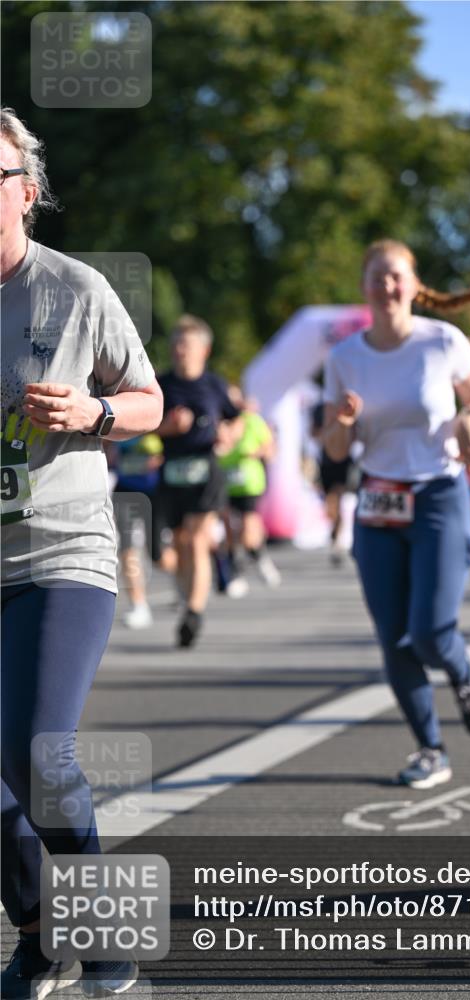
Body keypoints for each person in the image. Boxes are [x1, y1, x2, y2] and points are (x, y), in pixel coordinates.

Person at [1, 108, 163, 998]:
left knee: (39, 753)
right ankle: (37, 935)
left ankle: (105, 944)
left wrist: (93, 415)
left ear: (26, 192)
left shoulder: (74, 289)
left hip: (61, 553)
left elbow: (148, 401)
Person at [322, 238, 470, 789]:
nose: (387, 286)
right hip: (377, 502)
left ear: (414, 286)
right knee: (393, 638)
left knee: (428, 632)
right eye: (377, 276)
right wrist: (345, 422)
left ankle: (463, 668)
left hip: (439, 496)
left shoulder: (443, 340)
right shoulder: (344, 358)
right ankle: (430, 749)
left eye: (396, 276)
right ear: (364, 287)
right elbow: (331, 450)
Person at [154, 314, 240, 646]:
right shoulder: (160, 385)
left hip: (206, 469)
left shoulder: (215, 385)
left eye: (186, 345)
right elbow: (143, 426)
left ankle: (194, 610)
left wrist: (228, 435)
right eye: (175, 344)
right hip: (172, 468)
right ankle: (188, 598)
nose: (179, 350)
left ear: (204, 350)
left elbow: (238, 419)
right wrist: (168, 428)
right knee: (179, 544)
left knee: (198, 539)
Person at [216, 386, 281, 591]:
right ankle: (235, 572)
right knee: (228, 531)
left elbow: (270, 447)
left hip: (249, 483)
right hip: (225, 482)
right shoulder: (219, 422)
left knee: (247, 530)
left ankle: (259, 557)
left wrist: (256, 452)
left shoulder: (252, 421)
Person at [109, 433, 164, 628]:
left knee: (160, 558)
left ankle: (183, 587)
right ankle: (139, 605)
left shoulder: (158, 414)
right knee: (127, 547)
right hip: (125, 491)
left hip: (155, 493)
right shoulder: (116, 412)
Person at [310, 401, 360, 565]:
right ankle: (335, 533)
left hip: (344, 461)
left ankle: (337, 541)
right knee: (331, 503)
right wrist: (328, 434)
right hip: (325, 461)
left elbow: (355, 433)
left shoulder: (349, 405)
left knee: (337, 497)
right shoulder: (319, 409)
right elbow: (313, 432)